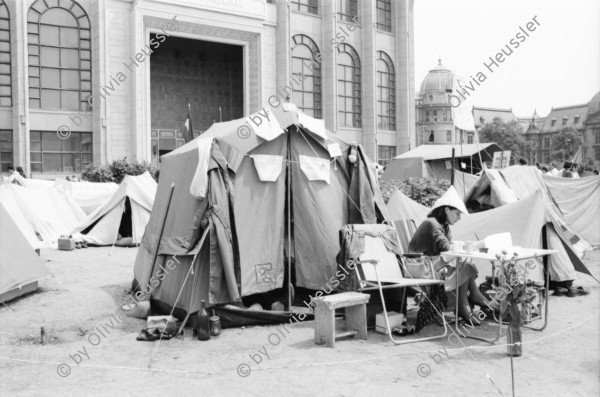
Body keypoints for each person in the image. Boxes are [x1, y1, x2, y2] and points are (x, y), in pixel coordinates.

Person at [408, 186, 491, 325]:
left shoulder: (444, 226)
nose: (459, 218)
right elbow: (447, 248)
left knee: (464, 261)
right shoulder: (432, 223)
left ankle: (467, 300)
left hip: (433, 264)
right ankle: (467, 301)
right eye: (457, 213)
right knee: (464, 261)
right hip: (420, 267)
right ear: (447, 210)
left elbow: (449, 250)